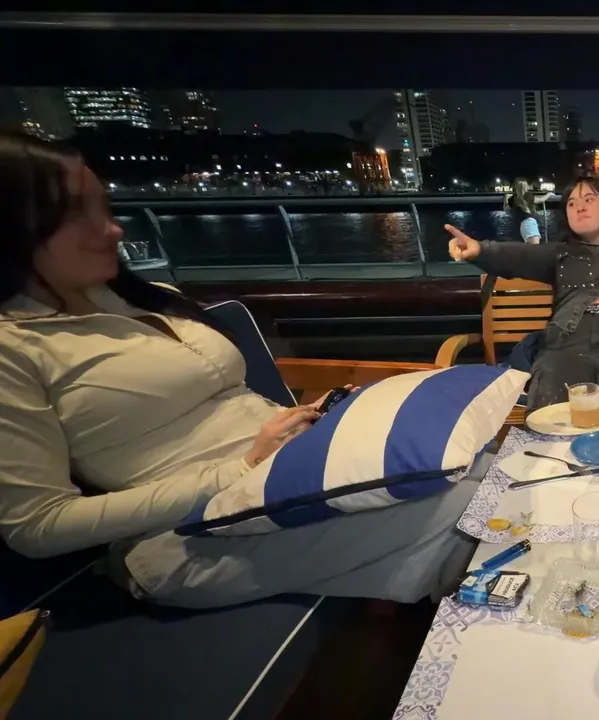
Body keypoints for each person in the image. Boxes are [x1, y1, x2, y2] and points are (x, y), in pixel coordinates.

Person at [0, 132, 478, 609]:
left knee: (485, 464)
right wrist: (240, 469)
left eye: (103, 207)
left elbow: (227, 402)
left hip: (295, 473)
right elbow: (38, 526)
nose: (112, 229)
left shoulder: (151, 298)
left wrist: (316, 415)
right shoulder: (14, 347)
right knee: (470, 507)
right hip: (193, 531)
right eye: (75, 212)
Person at [447, 175, 599, 411]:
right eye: (571, 203)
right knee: (550, 415)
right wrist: (479, 250)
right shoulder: (559, 253)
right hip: (566, 341)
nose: (579, 207)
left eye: (588, 199)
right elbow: (519, 256)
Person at [504, 177, 552, 244]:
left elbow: (506, 209)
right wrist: (549, 194)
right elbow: (541, 200)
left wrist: (506, 198)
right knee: (535, 248)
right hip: (530, 224)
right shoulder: (528, 196)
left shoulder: (513, 198)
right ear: (526, 186)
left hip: (523, 226)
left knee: (530, 248)